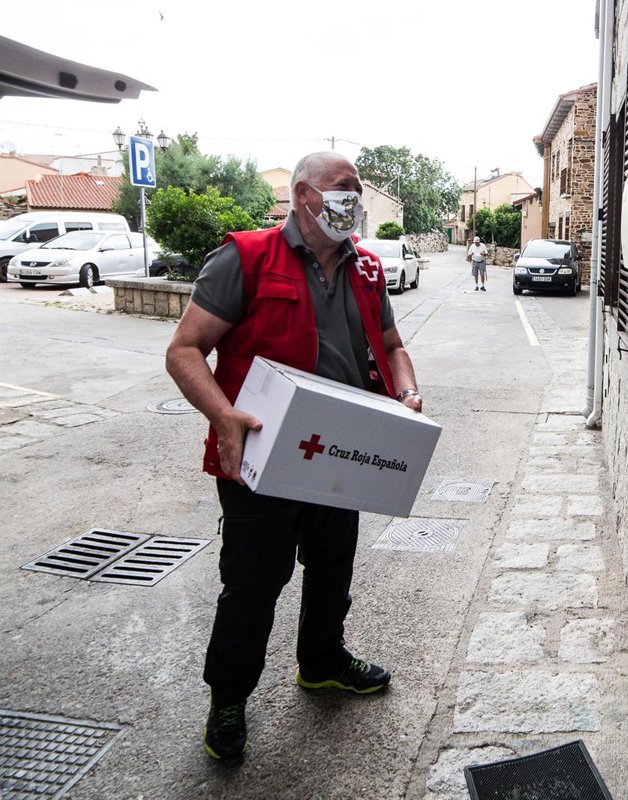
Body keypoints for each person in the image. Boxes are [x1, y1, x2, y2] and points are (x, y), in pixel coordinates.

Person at [165, 152, 424, 762]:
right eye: (343, 187)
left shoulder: (366, 268)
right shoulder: (245, 258)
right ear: (304, 194)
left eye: (357, 189)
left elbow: (391, 345)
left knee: (333, 571)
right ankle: (228, 699)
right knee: (253, 585)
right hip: (261, 456)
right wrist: (222, 415)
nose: (354, 198)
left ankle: (323, 662)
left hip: (340, 454)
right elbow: (184, 350)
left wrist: (407, 391)